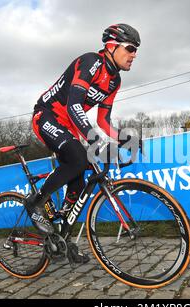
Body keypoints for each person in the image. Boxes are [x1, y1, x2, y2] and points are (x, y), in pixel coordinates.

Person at [25, 23, 141, 235]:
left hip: (69, 124)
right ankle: (35, 202)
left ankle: (62, 237)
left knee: (79, 181)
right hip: (47, 115)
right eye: (130, 48)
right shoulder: (92, 62)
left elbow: (104, 120)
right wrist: (95, 142)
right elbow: (74, 105)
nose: (134, 54)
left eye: (136, 50)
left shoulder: (115, 81)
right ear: (112, 46)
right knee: (78, 159)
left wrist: (124, 138)